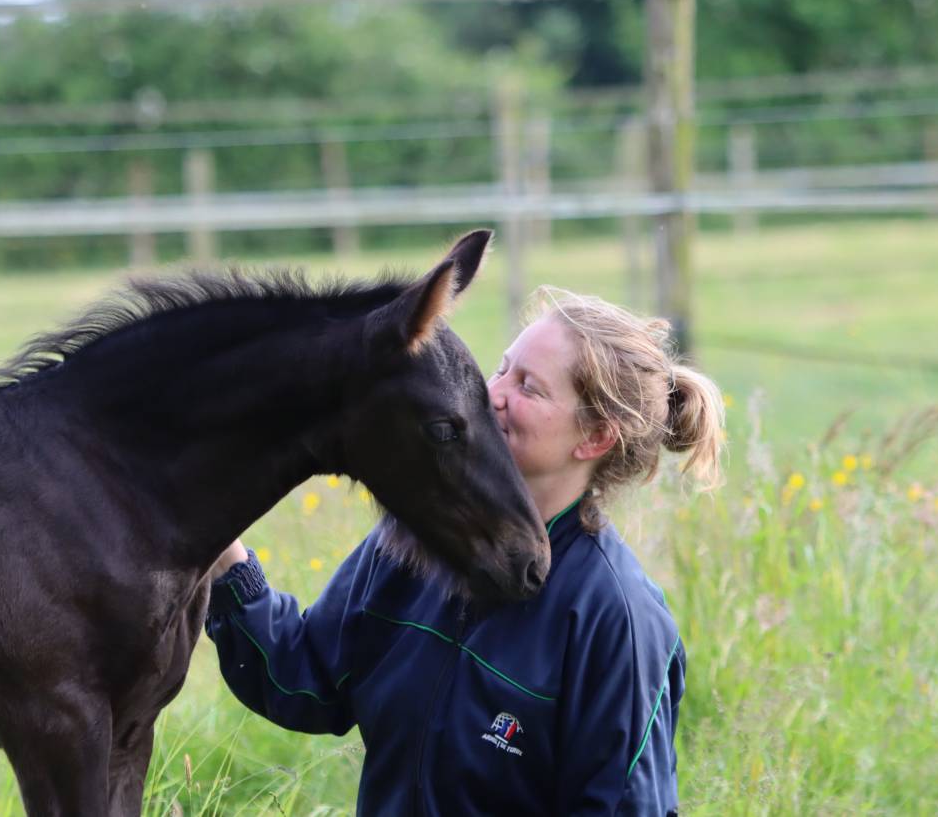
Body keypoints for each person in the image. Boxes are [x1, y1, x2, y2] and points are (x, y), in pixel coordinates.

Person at [206, 287, 725, 815]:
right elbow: (303, 679)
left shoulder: (617, 619)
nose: (491, 392)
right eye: (501, 369)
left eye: (528, 387)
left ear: (594, 437)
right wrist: (219, 548)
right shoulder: (410, 541)